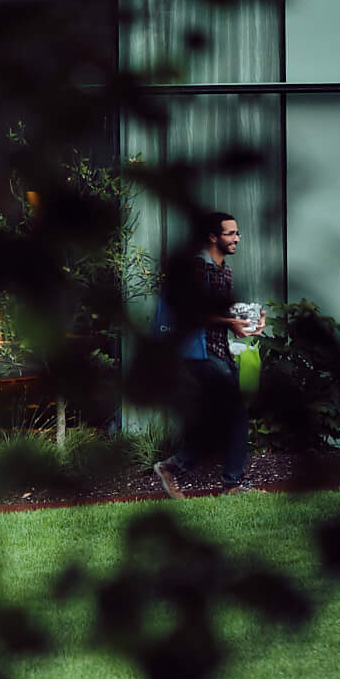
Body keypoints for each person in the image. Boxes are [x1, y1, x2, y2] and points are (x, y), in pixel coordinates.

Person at [152, 209, 255, 497]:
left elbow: (221, 313)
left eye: (237, 233)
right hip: (198, 352)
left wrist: (247, 321)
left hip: (220, 351)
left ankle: (179, 468)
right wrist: (228, 322)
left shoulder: (225, 270)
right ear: (213, 237)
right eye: (230, 233)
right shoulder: (198, 268)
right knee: (233, 412)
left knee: (229, 416)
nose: (237, 238)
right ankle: (228, 482)